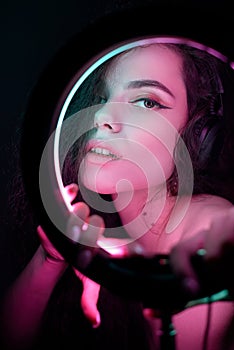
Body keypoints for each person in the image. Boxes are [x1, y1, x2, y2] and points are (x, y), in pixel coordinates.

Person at [1, 41, 234, 350]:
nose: (102, 116)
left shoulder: (212, 224)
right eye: (102, 96)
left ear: (195, 134)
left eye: (146, 102)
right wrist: (52, 256)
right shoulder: (94, 226)